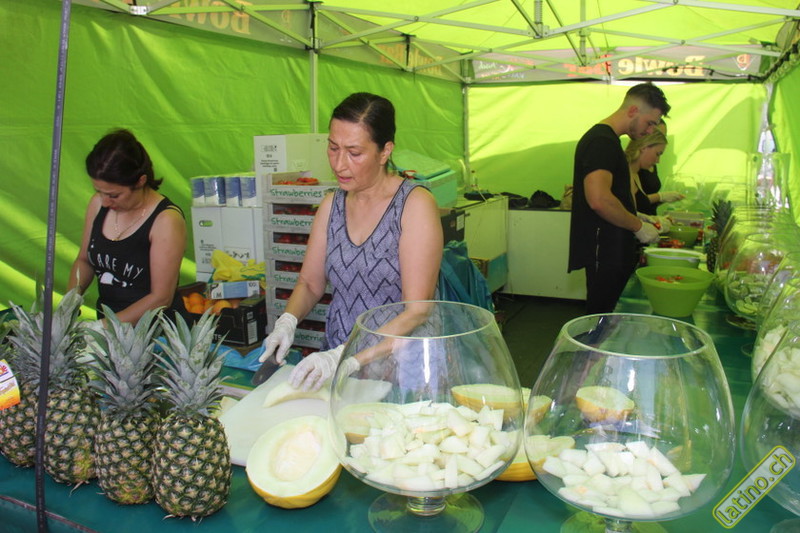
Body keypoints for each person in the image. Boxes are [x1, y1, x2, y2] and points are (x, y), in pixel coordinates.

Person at [259, 92, 443, 391]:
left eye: (354, 153)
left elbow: (417, 309)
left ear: (384, 151)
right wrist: (287, 321)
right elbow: (310, 283)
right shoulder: (331, 206)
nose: (339, 164)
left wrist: (345, 356)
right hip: (340, 360)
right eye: (333, 148)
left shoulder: (414, 205)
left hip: (401, 367)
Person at [568, 83, 671, 314]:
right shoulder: (601, 142)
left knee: (610, 315)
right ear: (633, 111)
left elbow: (614, 196)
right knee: (600, 316)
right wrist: (638, 226)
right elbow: (599, 199)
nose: (650, 131)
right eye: (650, 123)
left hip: (613, 247)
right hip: (604, 249)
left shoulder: (611, 141)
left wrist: (637, 216)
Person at [68, 128, 187, 325]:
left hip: (155, 332)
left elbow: (161, 298)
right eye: (99, 191)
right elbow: (85, 260)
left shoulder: (166, 220)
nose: (105, 201)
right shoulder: (97, 204)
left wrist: (102, 327)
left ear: (140, 181)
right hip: (110, 329)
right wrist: (70, 301)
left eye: (114, 195)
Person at [625, 127, 674, 233]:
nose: (658, 161)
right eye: (657, 154)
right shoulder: (624, 173)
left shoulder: (635, 174)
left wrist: (651, 220)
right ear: (644, 147)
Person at [631, 120, 684, 216]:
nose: (658, 161)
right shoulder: (627, 171)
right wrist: (661, 196)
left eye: (664, 135)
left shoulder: (636, 172)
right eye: (657, 154)